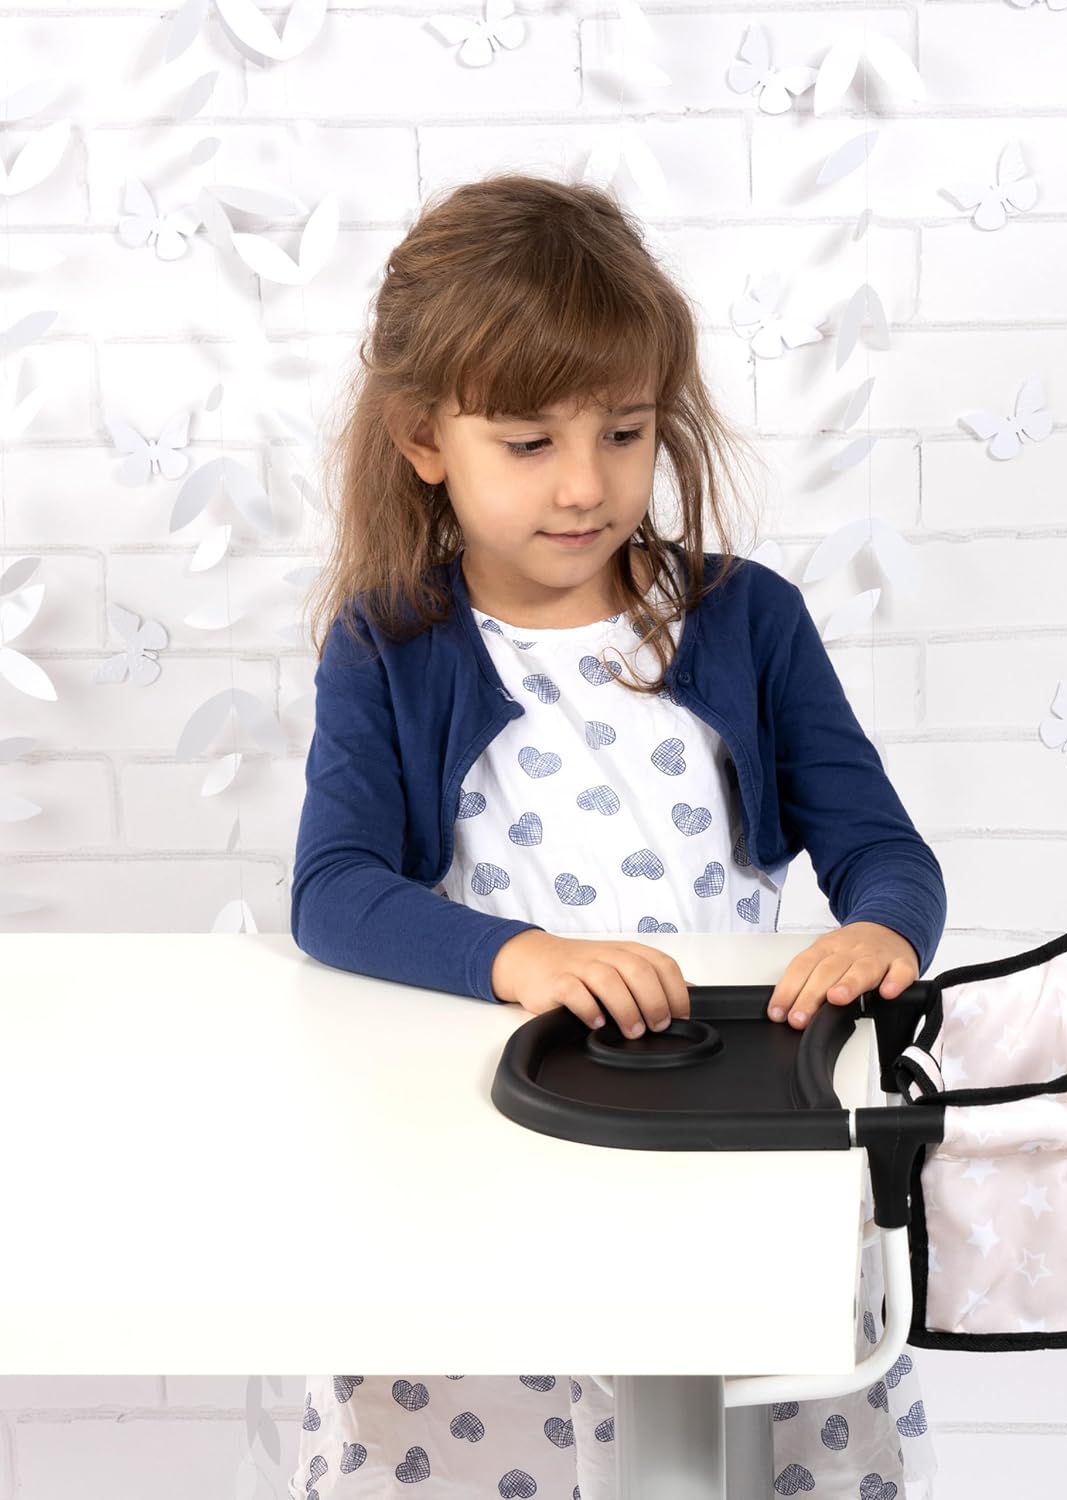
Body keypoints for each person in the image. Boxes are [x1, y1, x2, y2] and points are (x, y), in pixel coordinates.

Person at [287, 171, 945, 1499]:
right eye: (528, 443)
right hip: (485, 1155)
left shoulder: (749, 620)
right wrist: (522, 956)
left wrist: (880, 930)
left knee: (720, 1454)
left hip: (724, 1142)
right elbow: (333, 890)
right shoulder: (391, 642)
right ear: (424, 438)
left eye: (625, 431)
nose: (586, 486)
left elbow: (884, 849)